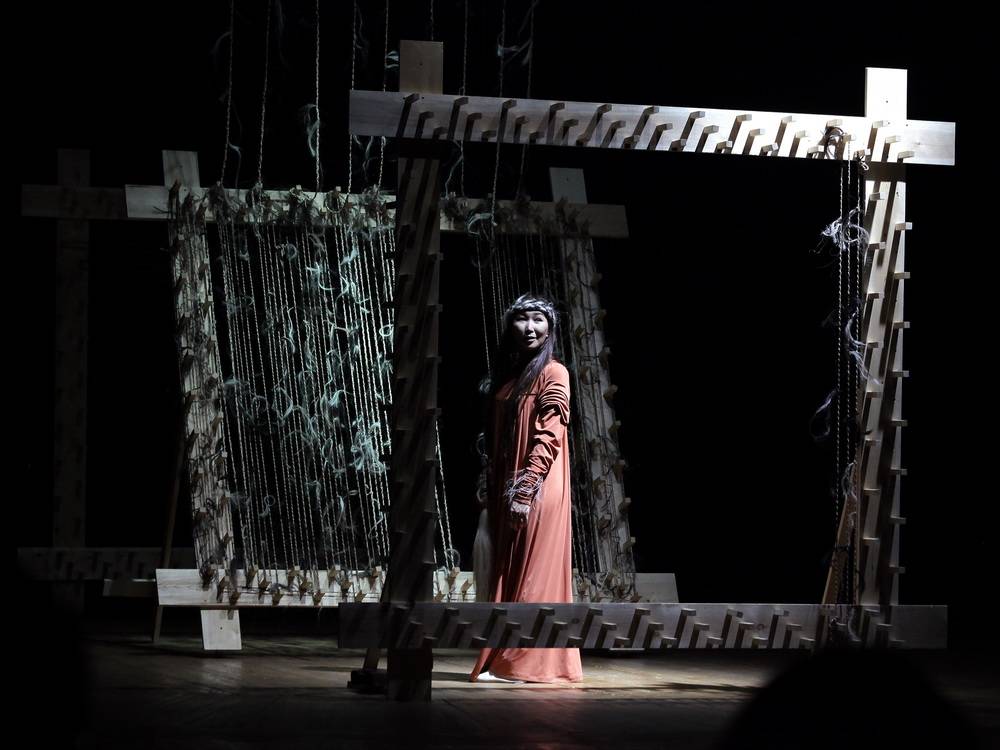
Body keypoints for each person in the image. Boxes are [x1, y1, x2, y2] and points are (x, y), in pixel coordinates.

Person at [469, 293, 583, 684]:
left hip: (537, 486)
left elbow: (549, 436)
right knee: (512, 568)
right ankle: (506, 658)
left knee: (534, 572)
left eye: (538, 319)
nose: (530, 327)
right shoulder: (514, 376)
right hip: (510, 486)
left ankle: (526, 664)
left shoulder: (554, 372)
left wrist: (525, 488)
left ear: (550, 328)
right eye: (522, 319)